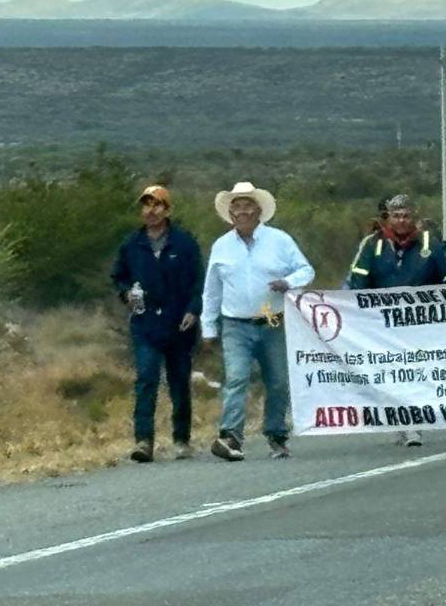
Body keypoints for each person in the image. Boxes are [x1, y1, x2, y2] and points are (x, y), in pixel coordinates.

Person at [202, 181, 315, 461]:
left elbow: (306, 270)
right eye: (236, 207)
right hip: (235, 323)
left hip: (270, 318)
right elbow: (212, 290)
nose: (241, 212)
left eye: (246, 206)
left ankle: (276, 434)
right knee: (237, 378)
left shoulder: (280, 240)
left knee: (277, 380)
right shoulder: (222, 247)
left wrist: (288, 282)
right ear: (230, 213)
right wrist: (208, 326)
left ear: (258, 210)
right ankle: (231, 436)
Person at [348, 194, 446, 447]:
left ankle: (414, 424)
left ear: (414, 217)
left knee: (415, 372)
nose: (402, 220)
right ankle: (397, 420)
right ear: (388, 218)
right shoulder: (372, 244)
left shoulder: (430, 242)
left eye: (406, 215)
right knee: (392, 372)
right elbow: (358, 282)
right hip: (383, 323)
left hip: (420, 321)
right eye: (396, 216)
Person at [111, 186, 204, 463]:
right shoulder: (132, 245)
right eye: (146, 206)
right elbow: (118, 276)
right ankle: (143, 441)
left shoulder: (184, 243)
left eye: (157, 206)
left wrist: (193, 310)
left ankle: (181, 439)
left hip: (179, 324)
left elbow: (199, 282)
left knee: (179, 383)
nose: (150, 211)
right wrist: (126, 293)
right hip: (146, 323)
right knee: (146, 379)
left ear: (168, 210)